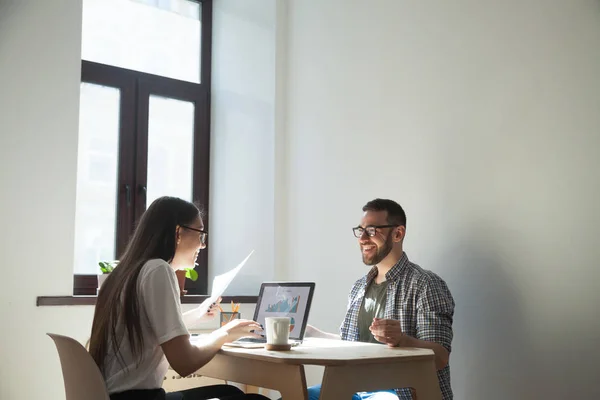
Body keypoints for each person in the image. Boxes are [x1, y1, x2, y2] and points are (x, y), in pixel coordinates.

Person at [89, 196, 269, 400]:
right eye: (201, 235)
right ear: (178, 232)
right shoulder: (158, 270)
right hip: (139, 397)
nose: (203, 246)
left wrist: (199, 314)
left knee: (230, 392)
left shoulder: (124, 274)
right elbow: (184, 362)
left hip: (115, 395)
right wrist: (224, 334)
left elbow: (149, 327)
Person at [305, 199, 455, 400]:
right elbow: (351, 344)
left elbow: (440, 357)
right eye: (361, 231)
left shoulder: (426, 284)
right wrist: (310, 333)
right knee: (297, 395)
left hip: (399, 393)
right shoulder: (359, 287)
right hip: (353, 387)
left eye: (372, 230)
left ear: (398, 233)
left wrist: (401, 339)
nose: (363, 238)